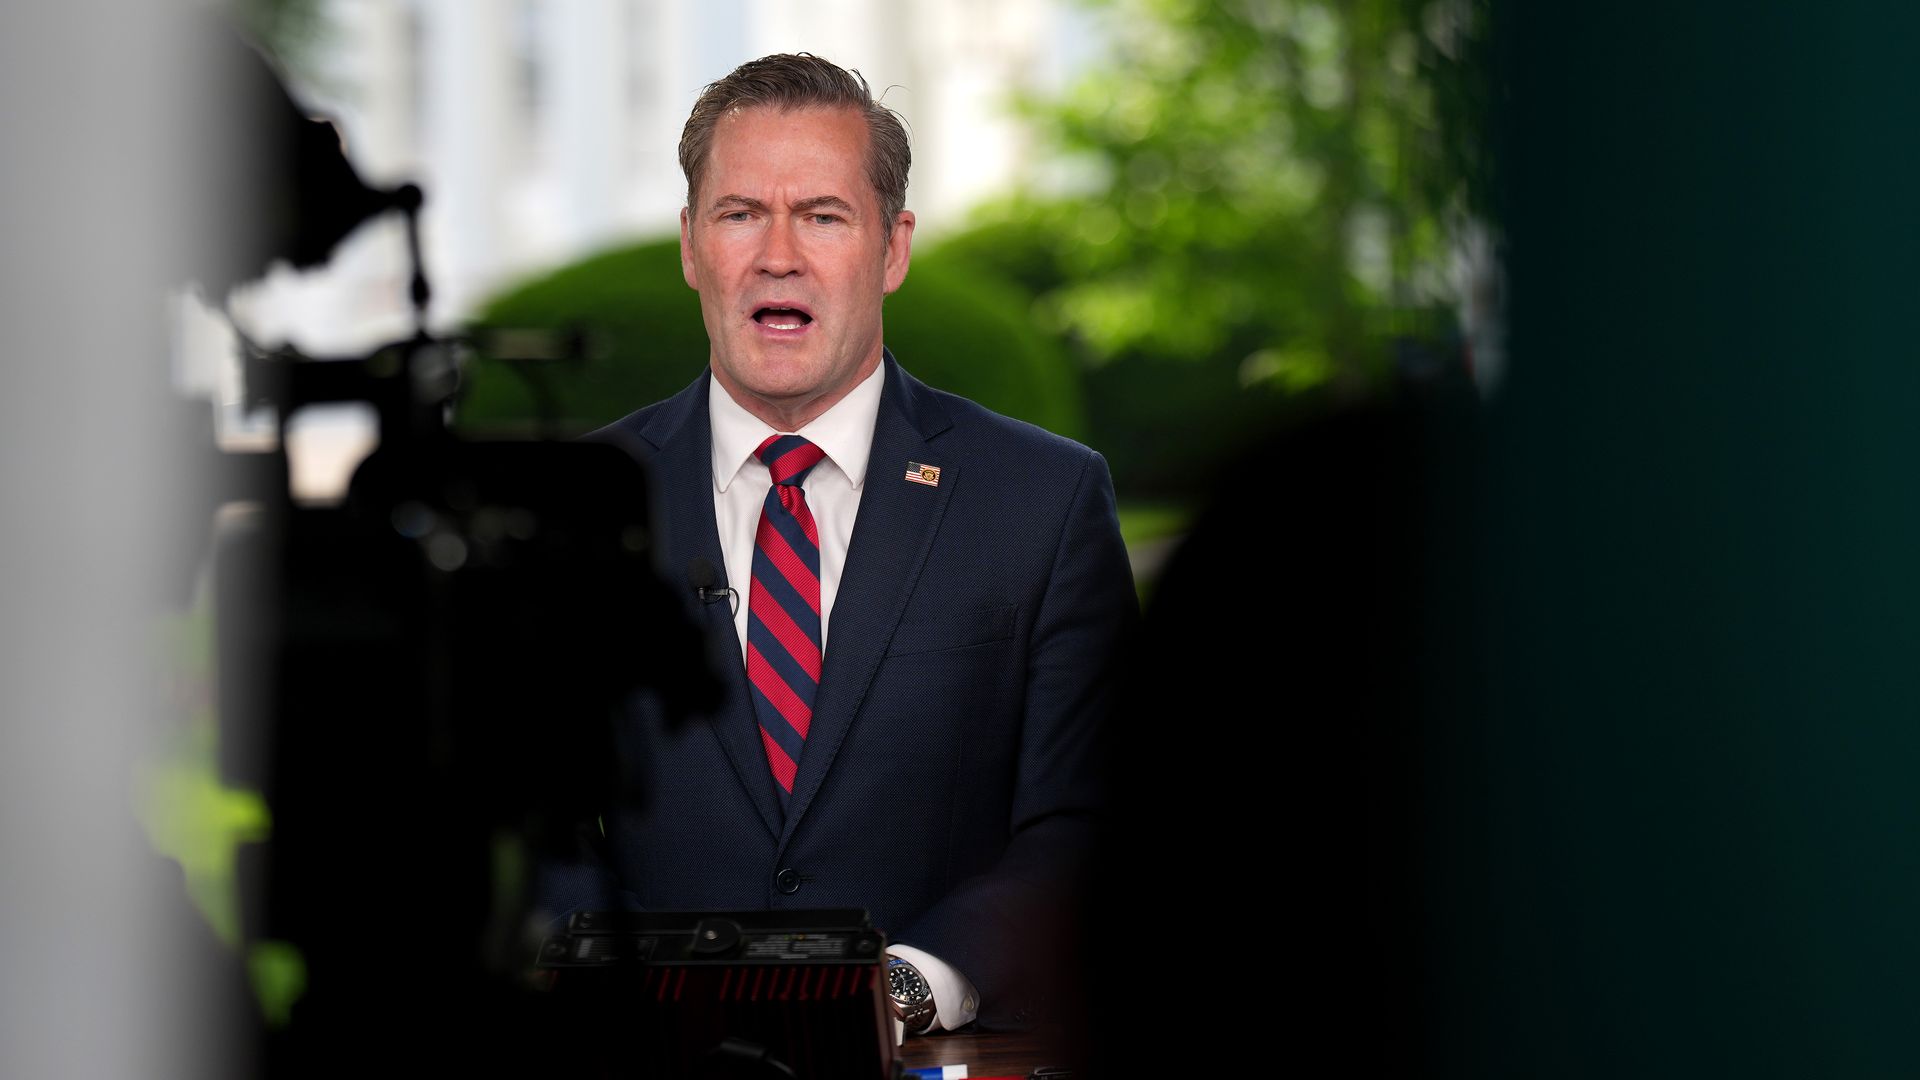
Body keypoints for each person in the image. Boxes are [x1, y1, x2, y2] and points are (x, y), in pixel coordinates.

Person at [548, 54, 1136, 1036]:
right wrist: (640, 991)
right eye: (740, 214)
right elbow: (535, 830)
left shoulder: (1045, 499)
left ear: (893, 249)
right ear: (691, 245)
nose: (778, 255)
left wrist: (904, 990)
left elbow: (1088, 818)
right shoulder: (574, 507)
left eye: (823, 216)